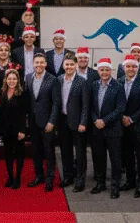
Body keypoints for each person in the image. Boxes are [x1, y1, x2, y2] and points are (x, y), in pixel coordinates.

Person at [90, 58, 125, 199]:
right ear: (98, 71)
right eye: (101, 70)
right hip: (97, 129)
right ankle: (100, 183)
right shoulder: (94, 85)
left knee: (115, 159)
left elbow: (120, 108)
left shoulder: (118, 86)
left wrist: (104, 120)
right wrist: (95, 120)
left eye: (107, 70)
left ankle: (115, 186)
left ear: (111, 71)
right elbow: (90, 106)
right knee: (99, 157)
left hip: (113, 128)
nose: (104, 72)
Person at [25, 53, 60, 192]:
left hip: (47, 122)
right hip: (33, 122)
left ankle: (49, 178)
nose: (39, 65)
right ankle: (38, 176)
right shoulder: (28, 77)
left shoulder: (53, 80)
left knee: (49, 152)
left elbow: (56, 103)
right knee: (36, 151)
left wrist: (52, 121)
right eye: (36, 62)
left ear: (45, 64)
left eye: (41, 62)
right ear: (33, 64)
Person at [118, 55, 140, 198]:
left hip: (138, 125)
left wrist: (131, 119)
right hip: (122, 125)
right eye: (128, 66)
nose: (131, 69)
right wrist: (121, 117)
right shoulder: (118, 82)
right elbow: (116, 103)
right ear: (124, 67)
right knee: (127, 155)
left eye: (133, 66)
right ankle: (130, 180)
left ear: (137, 68)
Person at [57, 55, 90, 192]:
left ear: (76, 65)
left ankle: (80, 180)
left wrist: (83, 122)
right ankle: (68, 176)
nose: (69, 67)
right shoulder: (59, 80)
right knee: (65, 150)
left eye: (71, 64)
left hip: (77, 122)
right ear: (63, 66)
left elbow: (86, 105)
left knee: (80, 152)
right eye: (67, 65)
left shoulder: (82, 82)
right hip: (62, 120)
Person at [0, 68, 29, 189]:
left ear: (18, 80)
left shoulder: (22, 93)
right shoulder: (2, 92)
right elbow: (0, 112)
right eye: (9, 78)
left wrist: (22, 130)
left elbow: (24, 113)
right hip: (5, 129)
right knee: (8, 154)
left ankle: (18, 178)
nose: (11, 81)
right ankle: (10, 177)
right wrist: (0, 129)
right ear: (6, 80)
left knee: (19, 154)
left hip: (18, 129)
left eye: (14, 79)